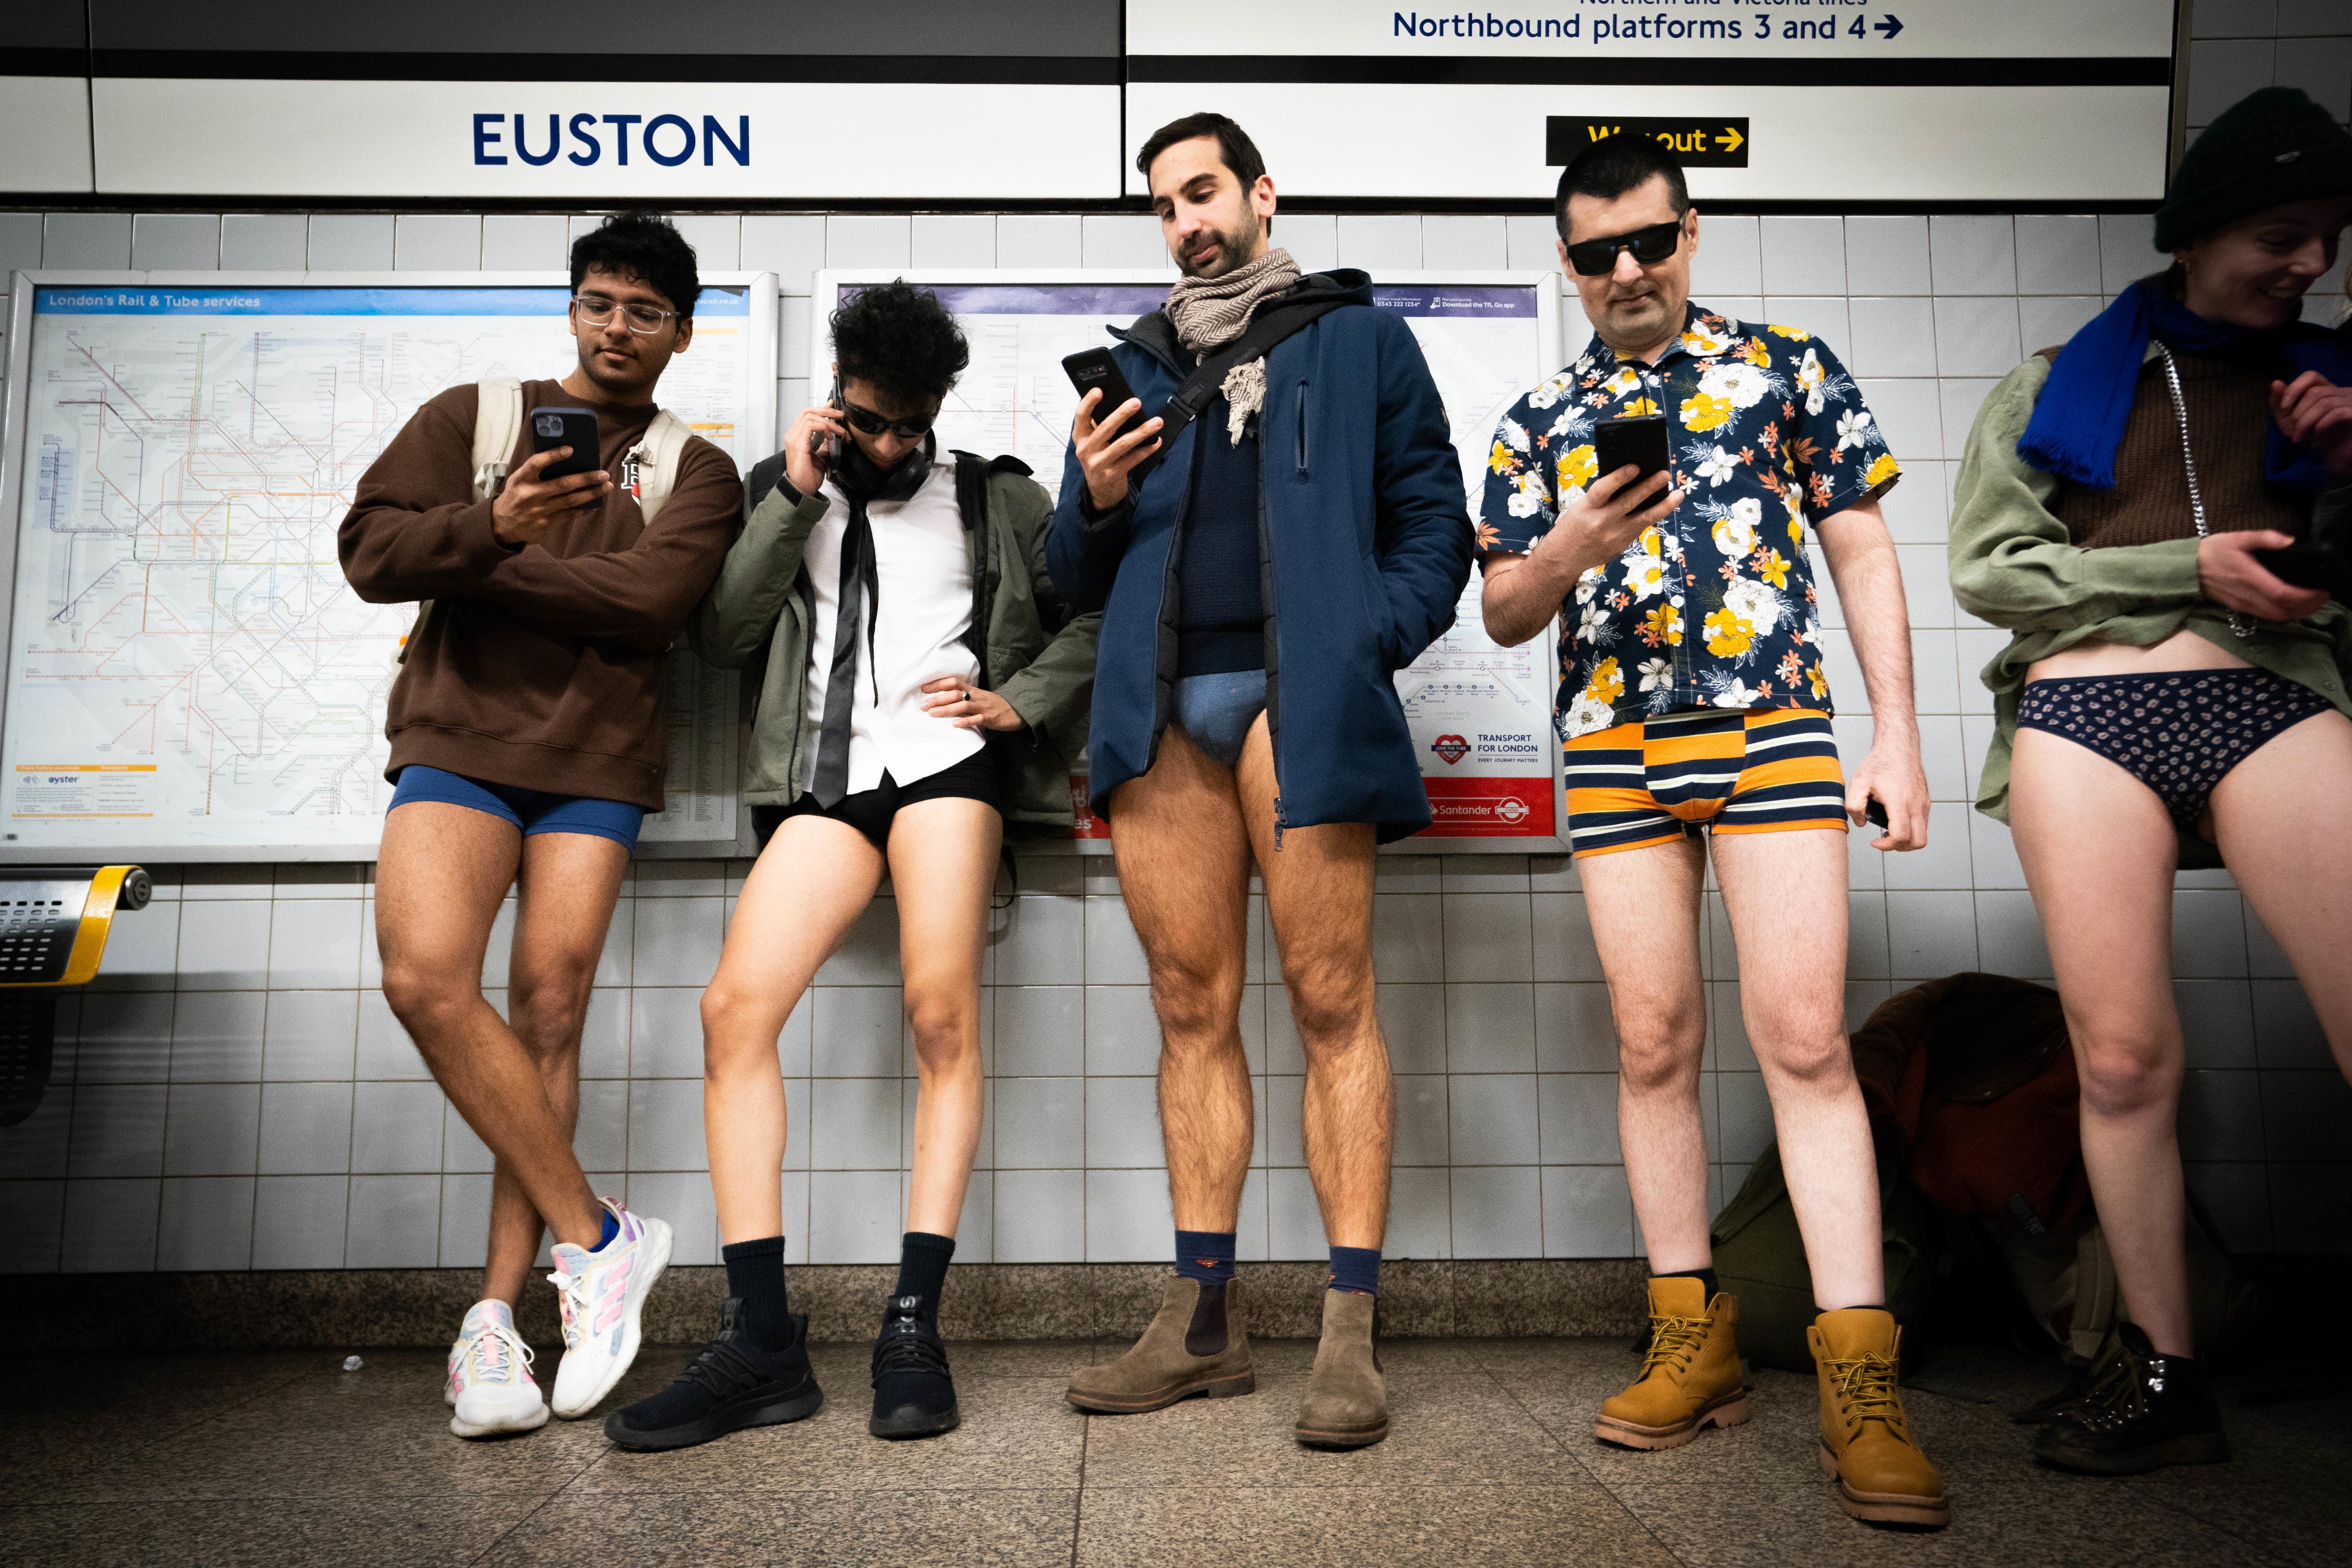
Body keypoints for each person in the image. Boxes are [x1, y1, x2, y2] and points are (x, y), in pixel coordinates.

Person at [1479, 135, 1947, 1527]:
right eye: (1594, 253)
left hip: (1773, 728)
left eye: (1650, 241)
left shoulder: (1791, 367)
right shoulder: (1539, 412)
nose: (1627, 269)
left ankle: (1862, 1379)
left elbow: (1859, 542)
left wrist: (1901, 734)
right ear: (1567, 267)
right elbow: (1507, 608)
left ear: (1692, 234)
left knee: (1805, 1040)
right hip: (1613, 740)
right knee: (1652, 1042)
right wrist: (1571, 546)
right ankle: (1693, 1338)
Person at [602, 282, 1101, 1451]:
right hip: (826, 780)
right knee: (734, 1011)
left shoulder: (994, 495)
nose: (890, 444)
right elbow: (722, 636)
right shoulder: (792, 494)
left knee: (940, 1016)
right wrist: (794, 492)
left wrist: (1018, 704)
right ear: (835, 398)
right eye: (870, 419)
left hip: (945, 767)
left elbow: (1095, 613)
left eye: (910, 425)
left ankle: (912, 1323)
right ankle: (763, 1339)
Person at [1047, 111, 1473, 1449]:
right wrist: (1093, 496)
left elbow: (1432, 522)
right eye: (1167, 204)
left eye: (1207, 191)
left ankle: (1351, 1327)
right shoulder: (1133, 364)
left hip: (1302, 703)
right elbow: (1071, 575)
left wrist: (1358, 644)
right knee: (1190, 1006)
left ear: (1262, 193)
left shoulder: (1357, 338)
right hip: (1163, 715)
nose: (1189, 220)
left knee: (1332, 999)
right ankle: (1206, 1324)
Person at [1948, 86, 2352, 1476]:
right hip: (2085, 710)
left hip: (2272, 694)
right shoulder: (2060, 377)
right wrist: (2186, 563)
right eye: (2283, 235)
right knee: (2120, 1062)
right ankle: (2164, 1374)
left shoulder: (2340, 391)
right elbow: (1992, 571)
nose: (2310, 266)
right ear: (2199, 233)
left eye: (2329, 242)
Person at [339, 212, 740, 1436]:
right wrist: (492, 525)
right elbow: (369, 549)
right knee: (423, 978)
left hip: (595, 764)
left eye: (646, 311)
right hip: (459, 741)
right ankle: (600, 1239)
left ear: (682, 330)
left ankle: (501, 1320)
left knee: (549, 1014)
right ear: (573, 308)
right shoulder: (479, 417)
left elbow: (650, 602)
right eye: (600, 303)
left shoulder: (697, 469)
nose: (619, 329)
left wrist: (478, 565)